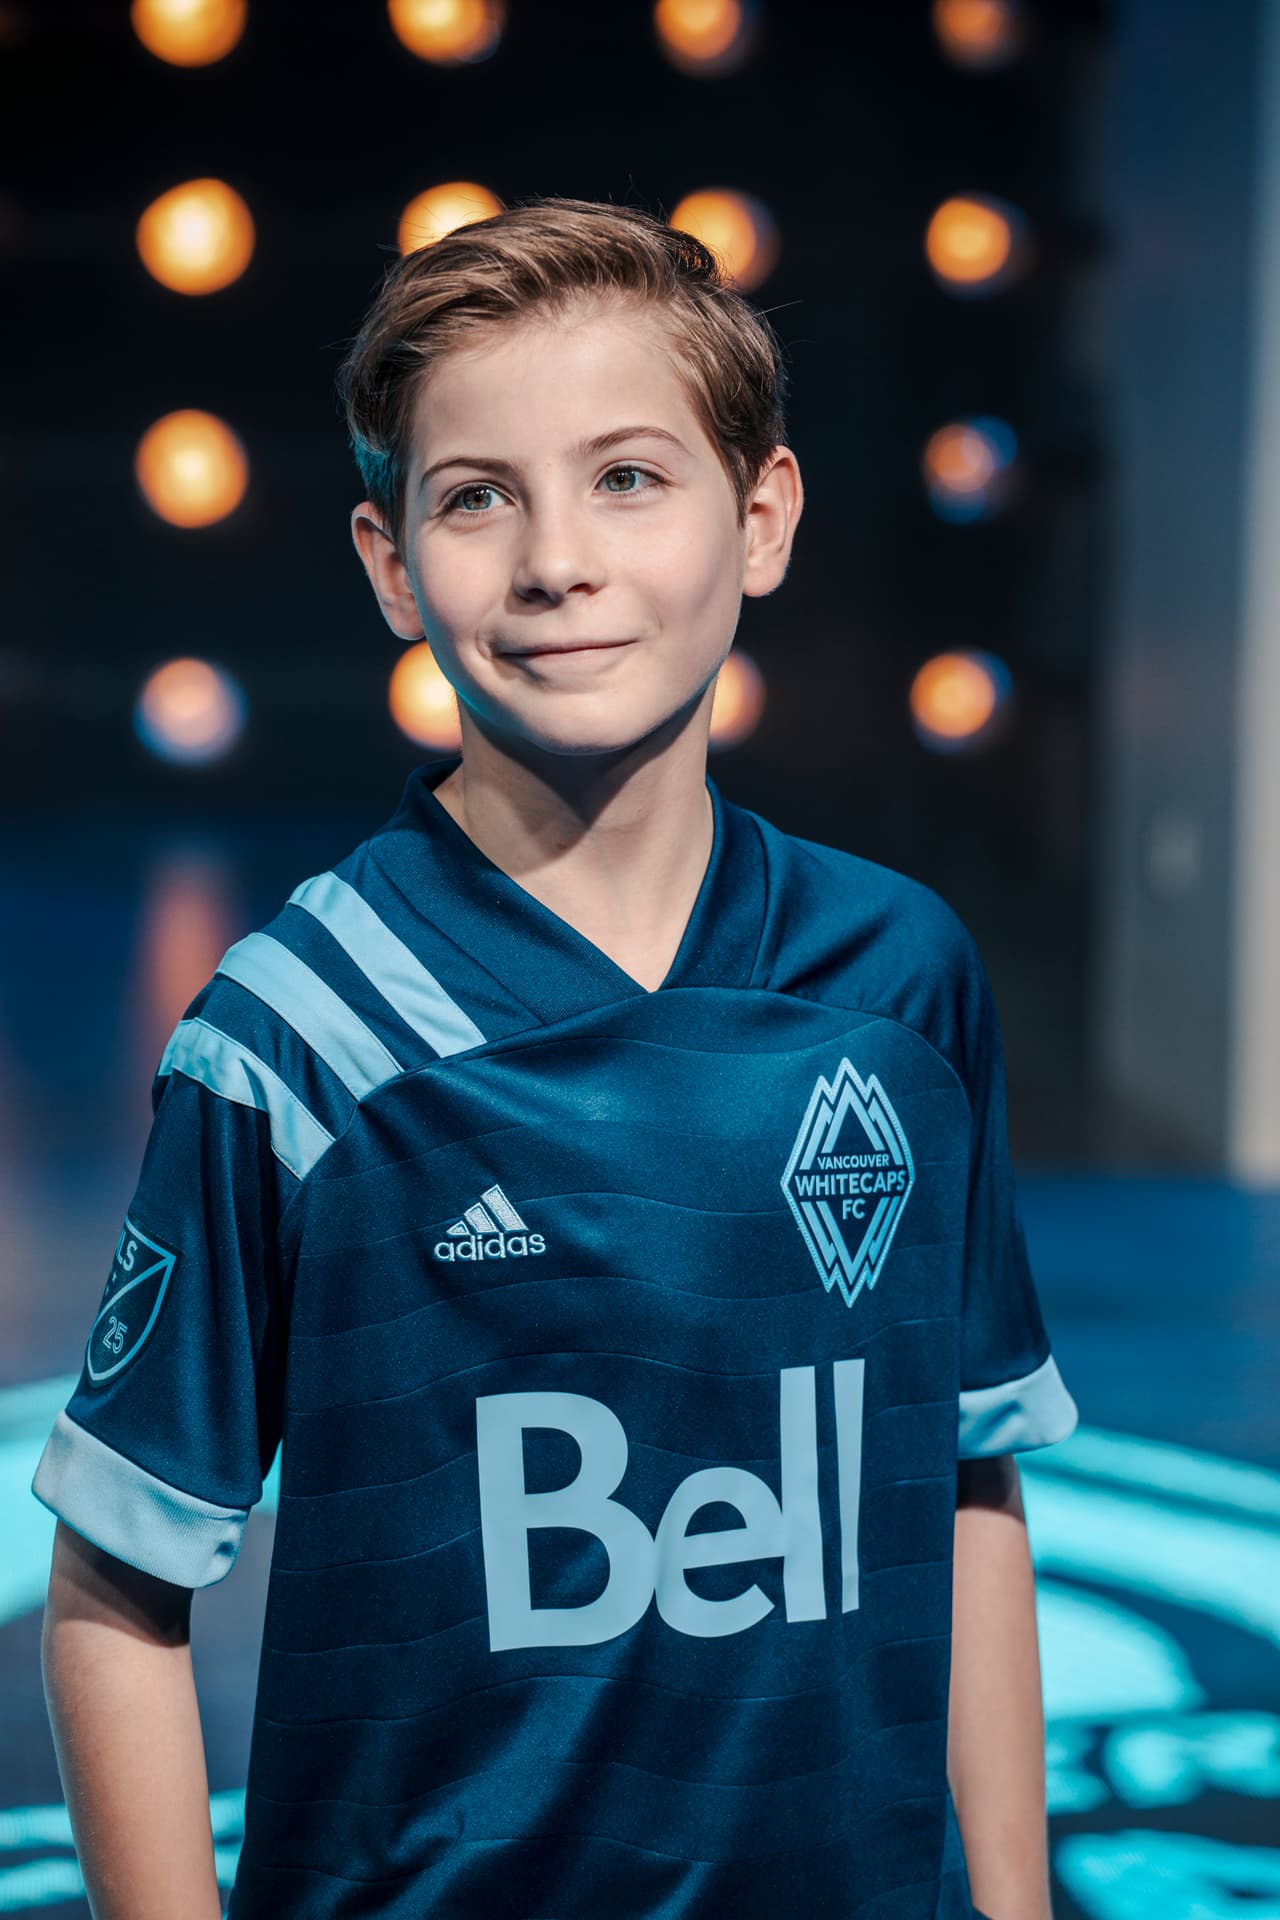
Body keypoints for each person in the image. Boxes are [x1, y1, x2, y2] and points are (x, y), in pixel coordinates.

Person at [34, 195, 1077, 1920]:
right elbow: (119, 1587)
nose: (556, 561)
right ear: (388, 565)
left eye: (630, 478)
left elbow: (965, 1480)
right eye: (476, 497)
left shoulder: (902, 982)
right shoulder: (298, 1034)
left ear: (762, 520)